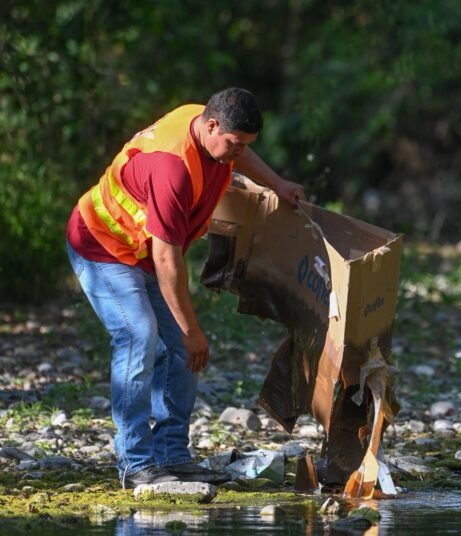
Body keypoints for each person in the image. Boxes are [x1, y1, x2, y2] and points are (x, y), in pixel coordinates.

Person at [66, 88, 305, 488]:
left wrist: (277, 183)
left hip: (144, 252)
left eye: (245, 146)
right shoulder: (172, 168)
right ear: (211, 126)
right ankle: (135, 464)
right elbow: (166, 260)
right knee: (139, 335)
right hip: (103, 247)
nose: (238, 154)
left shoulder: (209, 124)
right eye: (234, 145)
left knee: (177, 348)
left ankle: (173, 456)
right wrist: (192, 331)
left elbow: (239, 151)